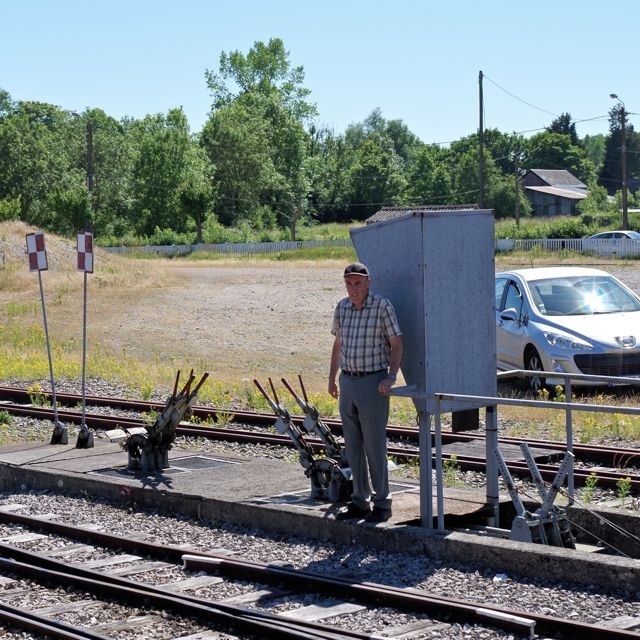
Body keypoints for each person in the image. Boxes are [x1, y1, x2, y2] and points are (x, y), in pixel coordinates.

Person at [328, 261, 403, 523]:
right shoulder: (342, 308)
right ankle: (360, 499)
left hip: (373, 382)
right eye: (349, 283)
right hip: (348, 380)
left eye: (358, 283)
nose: (353, 288)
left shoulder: (381, 306)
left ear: (368, 282)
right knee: (353, 446)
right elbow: (338, 344)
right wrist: (332, 379)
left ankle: (383, 501)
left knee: (374, 443)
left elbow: (396, 343)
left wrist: (391, 376)